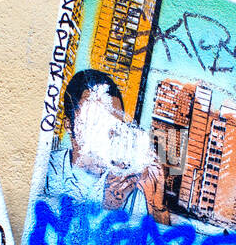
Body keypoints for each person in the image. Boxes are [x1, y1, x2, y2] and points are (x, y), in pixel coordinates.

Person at [43, 69, 165, 221]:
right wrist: (104, 208)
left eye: (114, 126)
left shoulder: (129, 192)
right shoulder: (45, 170)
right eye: (95, 122)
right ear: (69, 125)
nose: (107, 135)